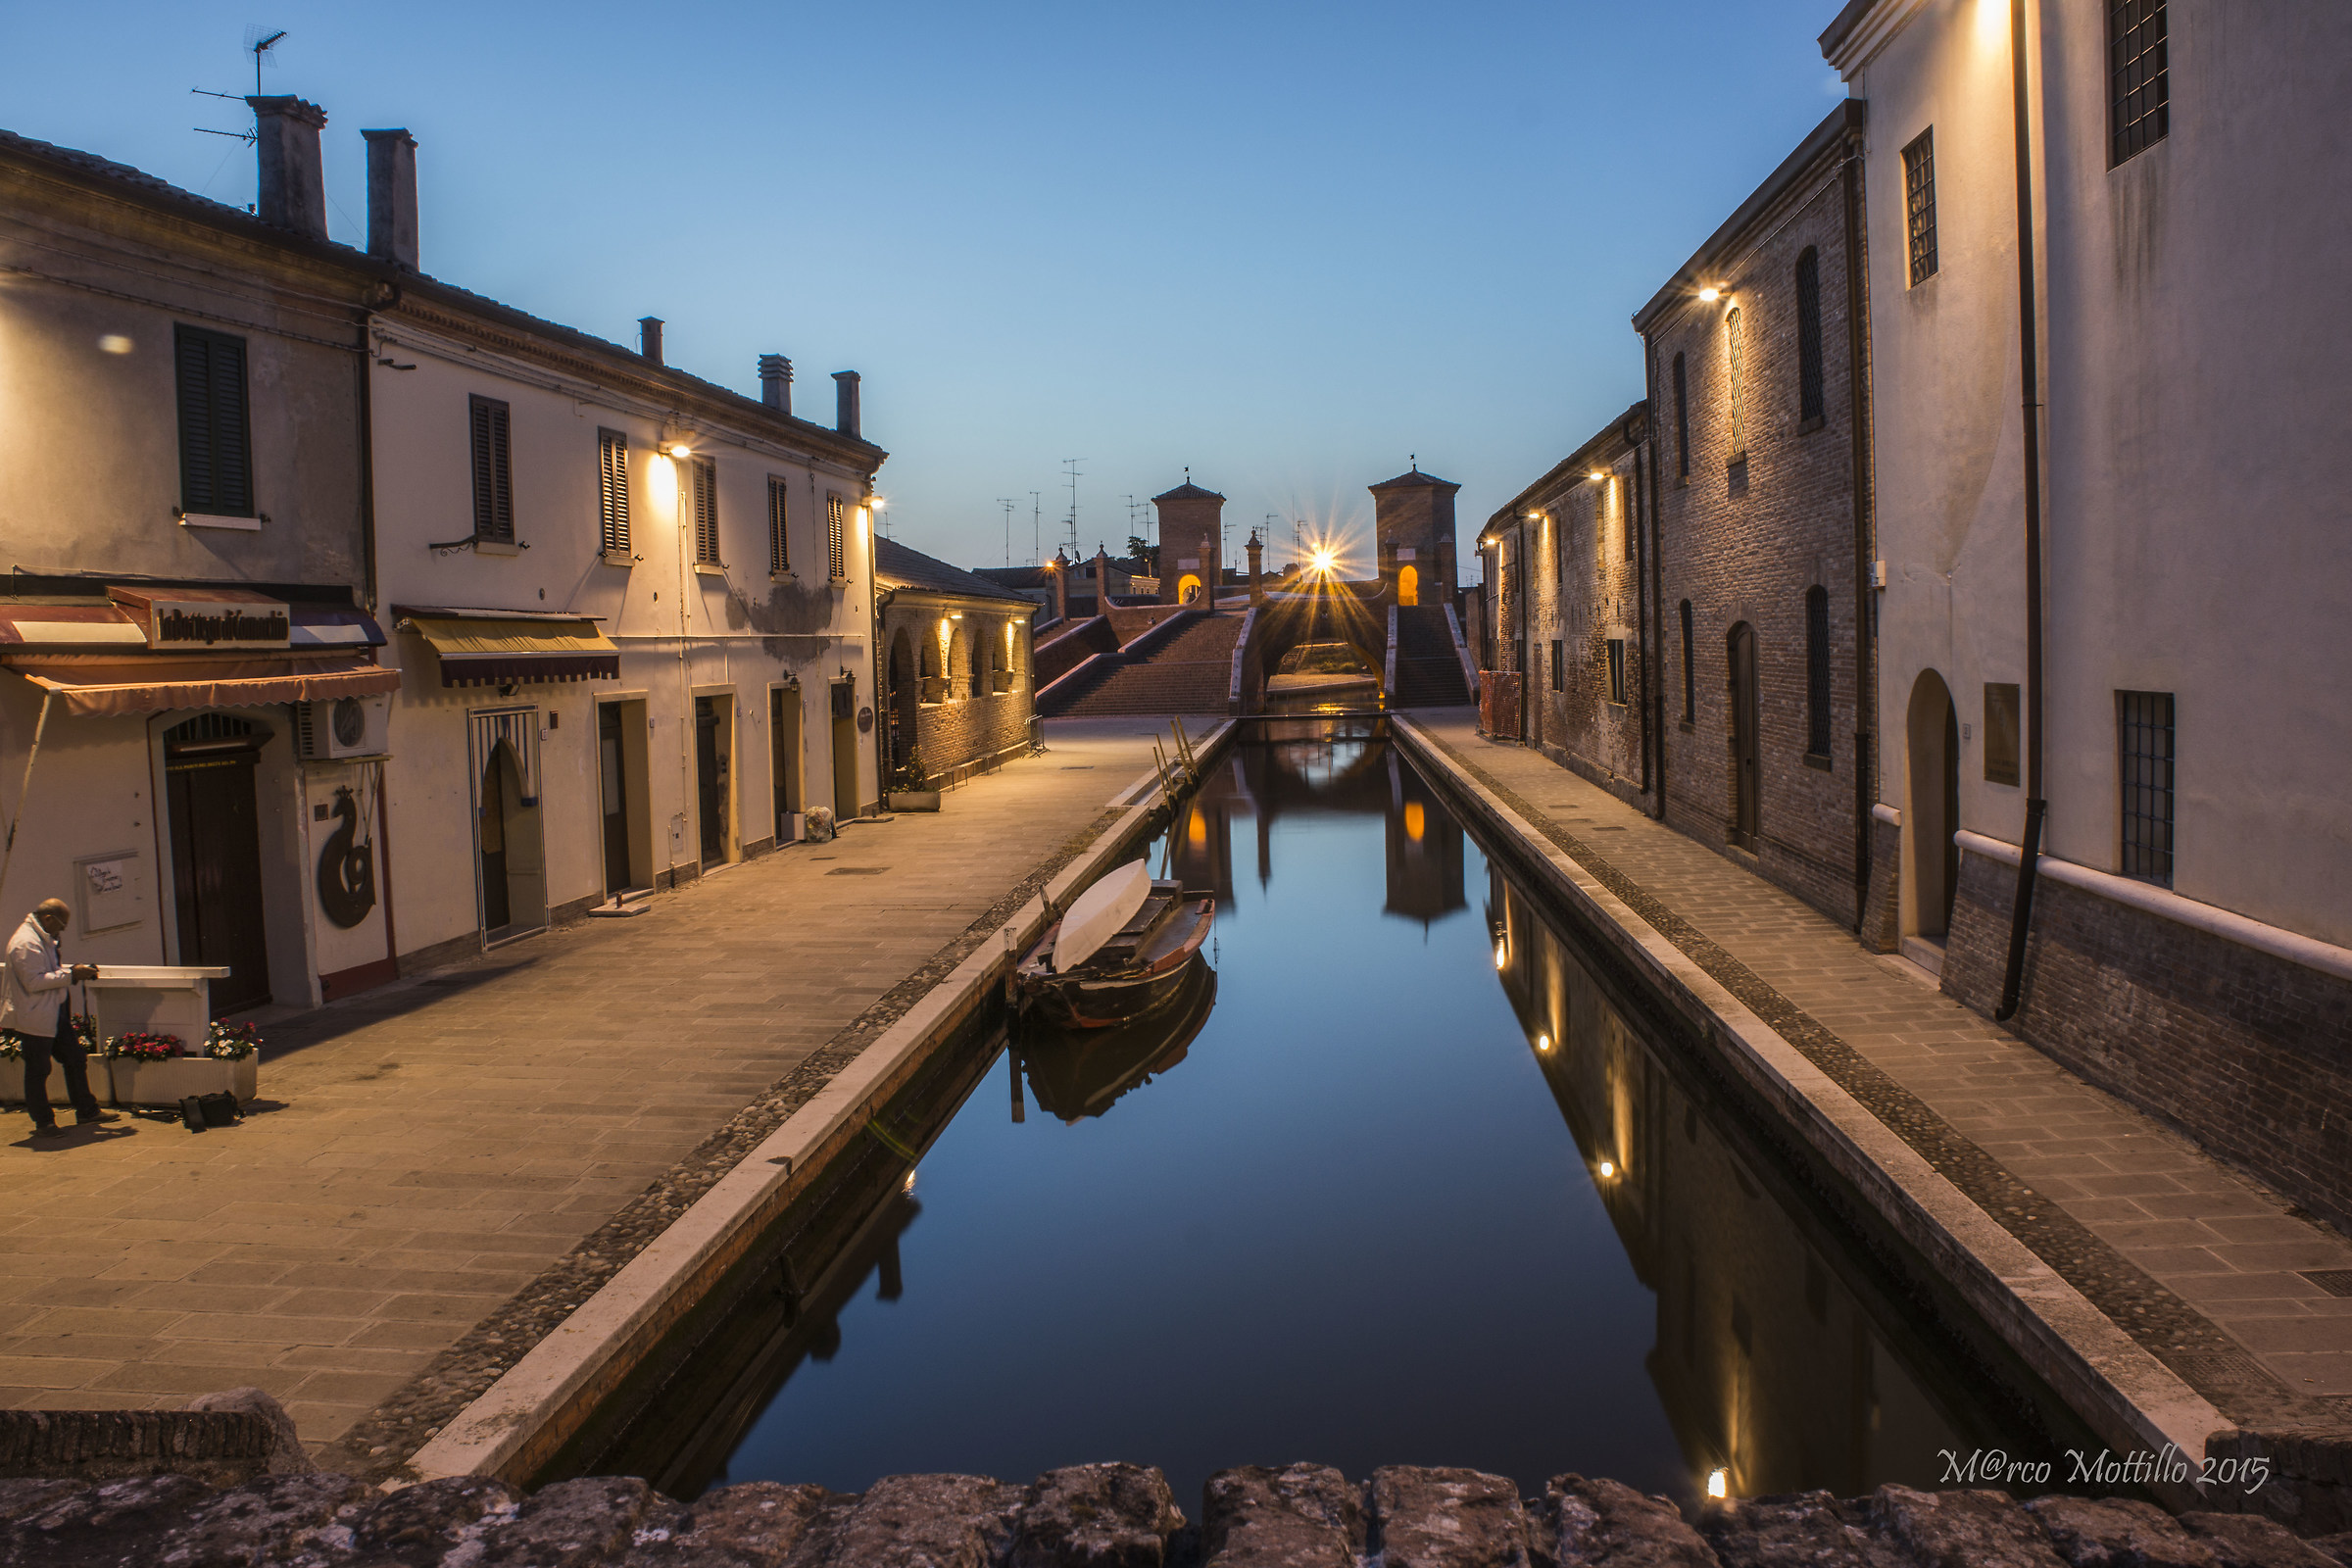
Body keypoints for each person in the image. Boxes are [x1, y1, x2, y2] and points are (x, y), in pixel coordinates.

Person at [3, 897, 114, 1137]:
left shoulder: (43, 938)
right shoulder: (25, 943)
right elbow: (33, 981)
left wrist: (72, 972)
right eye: (61, 925)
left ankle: (86, 1110)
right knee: (39, 1069)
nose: (62, 930)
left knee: (75, 1059)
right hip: (35, 1017)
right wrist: (72, 975)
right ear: (48, 919)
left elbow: (49, 972)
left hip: (54, 1011)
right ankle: (44, 1122)